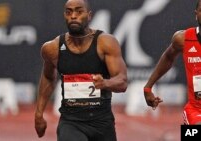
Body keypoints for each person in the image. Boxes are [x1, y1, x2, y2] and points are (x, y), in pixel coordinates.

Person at [34, 0, 128, 140]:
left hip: (102, 122)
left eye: (79, 11)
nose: (73, 16)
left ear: (89, 16)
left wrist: (105, 83)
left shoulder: (106, 43)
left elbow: (122, 81)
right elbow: (48, 77)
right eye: (69, 12)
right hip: (71, 122)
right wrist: (39, 113)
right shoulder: (52, 48)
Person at [144, 0, 201, 125]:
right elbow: (168, 58)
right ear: (196, 13)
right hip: (196, 110)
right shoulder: (183, 39)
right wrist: (148, 87)